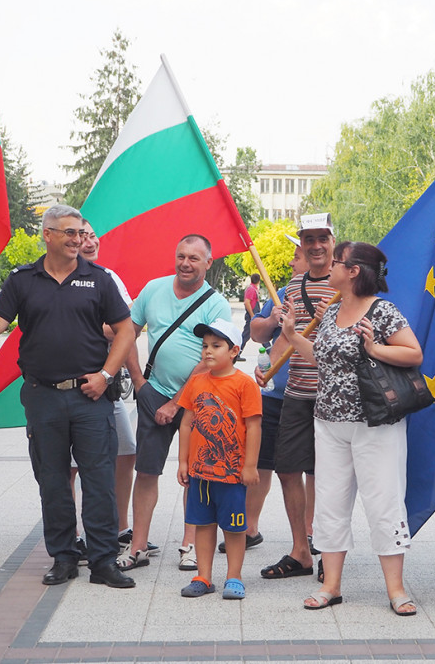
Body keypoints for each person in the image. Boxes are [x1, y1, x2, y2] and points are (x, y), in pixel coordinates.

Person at [0, 204, 135, 588]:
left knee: (98, 481)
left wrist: (106, 374)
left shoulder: (99, 279)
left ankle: (103, 560)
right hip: (43, 396)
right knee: (53, 480)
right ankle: (63, 557)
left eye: (81, 233)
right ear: (47, 234)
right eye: (69, 233)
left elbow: (126, 330)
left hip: (91, 397)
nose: (78, 240)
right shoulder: (23, 280)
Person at [281, 241, 422, 615]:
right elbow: (324, 359)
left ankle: (396, 590)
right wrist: (295, 337)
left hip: (374, 423)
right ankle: (331, 586)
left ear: (353, 270)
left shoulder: (383, 311)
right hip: (328, 423)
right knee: (330, 503)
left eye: (337, 262)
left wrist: (375, 349)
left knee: (384, 501)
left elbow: (413, 353)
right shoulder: (333, 311)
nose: (332, 267)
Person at [120, 234, 231, 572]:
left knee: (196, 474)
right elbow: (128, 332)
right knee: (147, 470)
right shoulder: (153, 289)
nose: (186, 263)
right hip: (153, 392)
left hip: (200, 399)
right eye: (181, 255)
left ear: (208, 263)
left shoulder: (217, 303)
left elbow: (212, 358)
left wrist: (177, 403)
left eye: (194, 258)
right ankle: (138, 545)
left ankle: (190, 545)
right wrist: (139, 381)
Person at [262, 213, 337, 580]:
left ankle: (329, 555)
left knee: (328, 476)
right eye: (309, 239)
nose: (316, 246)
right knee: (287, 469)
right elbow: (283, 338)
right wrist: (268, 368)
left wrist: (334, 318)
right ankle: (301, 551)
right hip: (295, 394)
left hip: (335, 398)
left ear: (333, 241)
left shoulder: (347, 284)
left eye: (322, 238)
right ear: (302, 245)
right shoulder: (293, 288)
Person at [224, 243, 310, 555]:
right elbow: (257, 333)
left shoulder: (335, 294)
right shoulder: (283, 292)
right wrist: (273, 319)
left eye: (296, 257)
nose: (291, 261)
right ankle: (249, 528)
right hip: (274, 394)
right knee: (262, 463)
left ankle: (310, 533)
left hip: (313, 396)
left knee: (312, 469)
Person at [176, 319, 262, 599]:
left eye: (216, 346)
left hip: (232, 474)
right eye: (204, 346)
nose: (208, 351)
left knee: (235, 528)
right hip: (200, 474)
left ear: (234, 350)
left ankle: (234, 577)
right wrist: (183, 462)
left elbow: (254, 427)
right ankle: (203, 576)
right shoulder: (196, 382)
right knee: (202, 524)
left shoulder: (244, 384)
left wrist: (249, 465)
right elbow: (187, 424)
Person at [74, 220, 146, 556]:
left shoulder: (108, 278)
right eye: (80, 235)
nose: (87, 241)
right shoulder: (55, 279)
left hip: (107, 383)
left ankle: (119, 528)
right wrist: (108, 328)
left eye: (91, 235)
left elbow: (129, 328)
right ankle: (73, 534)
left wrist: (134, 375)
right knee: (69, 464)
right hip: (68, 386)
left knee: (126, 450)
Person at [237, 273, 261, 362]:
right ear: (259, 281)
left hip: (254, 315)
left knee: (259, 333)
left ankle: (269, 350)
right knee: (246, 334)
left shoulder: (253, 289)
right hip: (252, 315)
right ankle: (237, 353)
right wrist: (252, 315)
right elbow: (247, 302)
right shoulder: (251, 289)